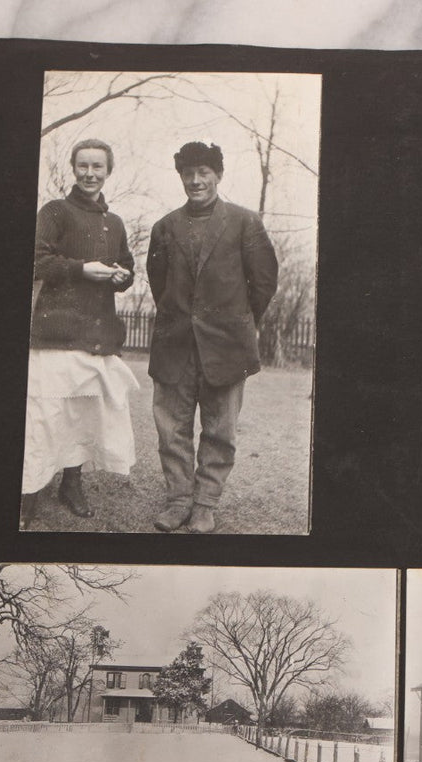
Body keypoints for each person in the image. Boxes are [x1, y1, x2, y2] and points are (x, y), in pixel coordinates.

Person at [145, 141, 279, 533]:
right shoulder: (164, 227)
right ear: (180, 177)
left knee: (221, 429)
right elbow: (159, 285)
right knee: (171, 429)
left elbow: (264, 282)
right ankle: (178, 501)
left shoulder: (245, 222)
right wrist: (183, 319)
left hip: (227, 345)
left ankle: (205, 504)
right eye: (188, 173)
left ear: (218, 175)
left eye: (204, 172)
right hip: (176, 345)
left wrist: (237, 322)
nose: (195, 180)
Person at [22, 138, 138, 525]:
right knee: (46, 415)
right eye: (84, 166)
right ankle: (31, 489)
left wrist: (122, 276)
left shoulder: (115, 222)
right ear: (73, 168)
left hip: (97, 332)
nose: (90, 173)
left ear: (108, 171)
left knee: (84, 414)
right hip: (57, 331)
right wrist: (81, 269)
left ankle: (72, 484)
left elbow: (126, 267)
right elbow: (36, 259)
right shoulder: (55, 212)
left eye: (98, 167)